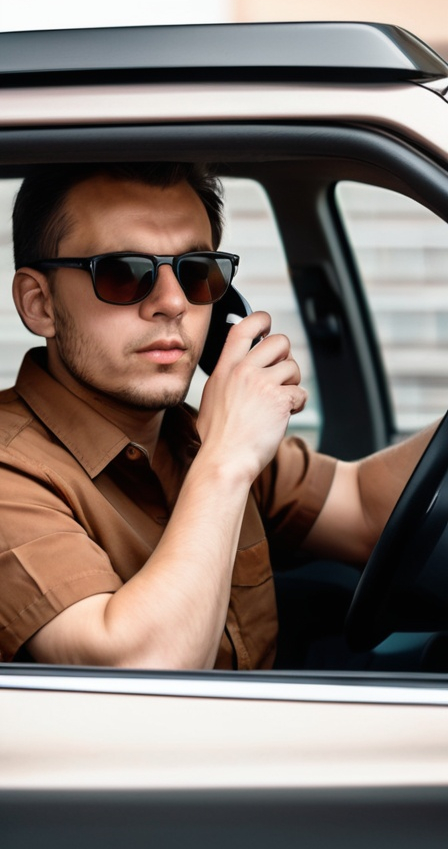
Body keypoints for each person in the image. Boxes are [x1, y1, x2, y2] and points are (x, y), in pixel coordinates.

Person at [0, 163, 437, 669]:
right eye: (124, 272)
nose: (172, 302)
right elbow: (140, 677)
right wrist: (226, 461)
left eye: (197, 272)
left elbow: (364, 508)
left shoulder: (192, 431)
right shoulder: (13, 474)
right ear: (40, 304)